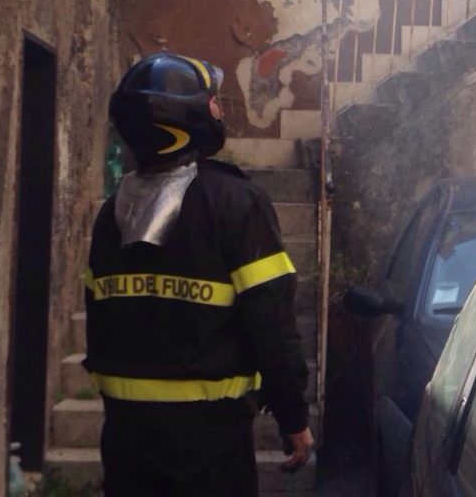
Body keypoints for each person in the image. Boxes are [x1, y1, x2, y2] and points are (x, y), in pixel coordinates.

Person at [84, 52, 313, 496]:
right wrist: (294, 419)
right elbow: (272, 326)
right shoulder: (236, 205)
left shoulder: (111, 214)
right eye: (212, 100)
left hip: (126, 445)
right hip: (209, 451)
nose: (218, 109)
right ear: (189, 118)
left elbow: (99, 322)